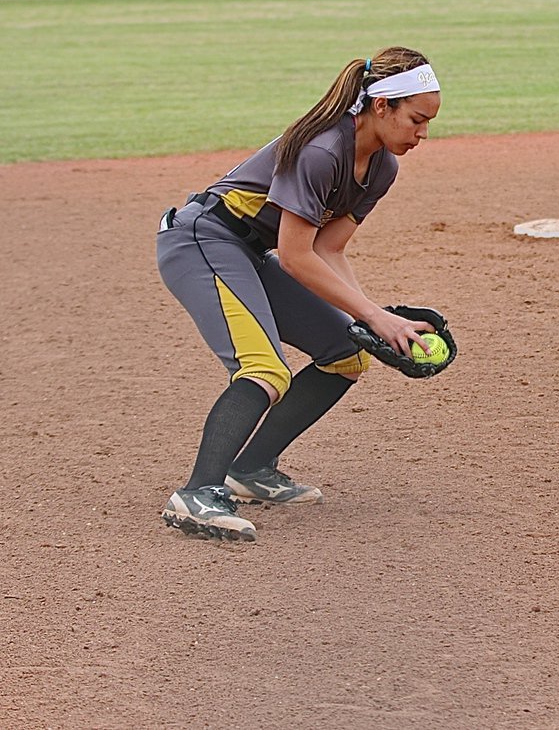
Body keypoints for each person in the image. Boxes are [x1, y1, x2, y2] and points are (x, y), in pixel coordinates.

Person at [156, 46, 442, 542]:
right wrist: (377, 316)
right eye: (416, 119)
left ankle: (252, 468)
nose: (423, 134)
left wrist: (369, 321)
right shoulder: (321, 150)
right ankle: (197, 493)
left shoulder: (380, 168)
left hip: (248, 252)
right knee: (264, 368)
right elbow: (295, 256)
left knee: (346, 352)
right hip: (203, 240)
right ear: (381, 107)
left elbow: (328, 250)